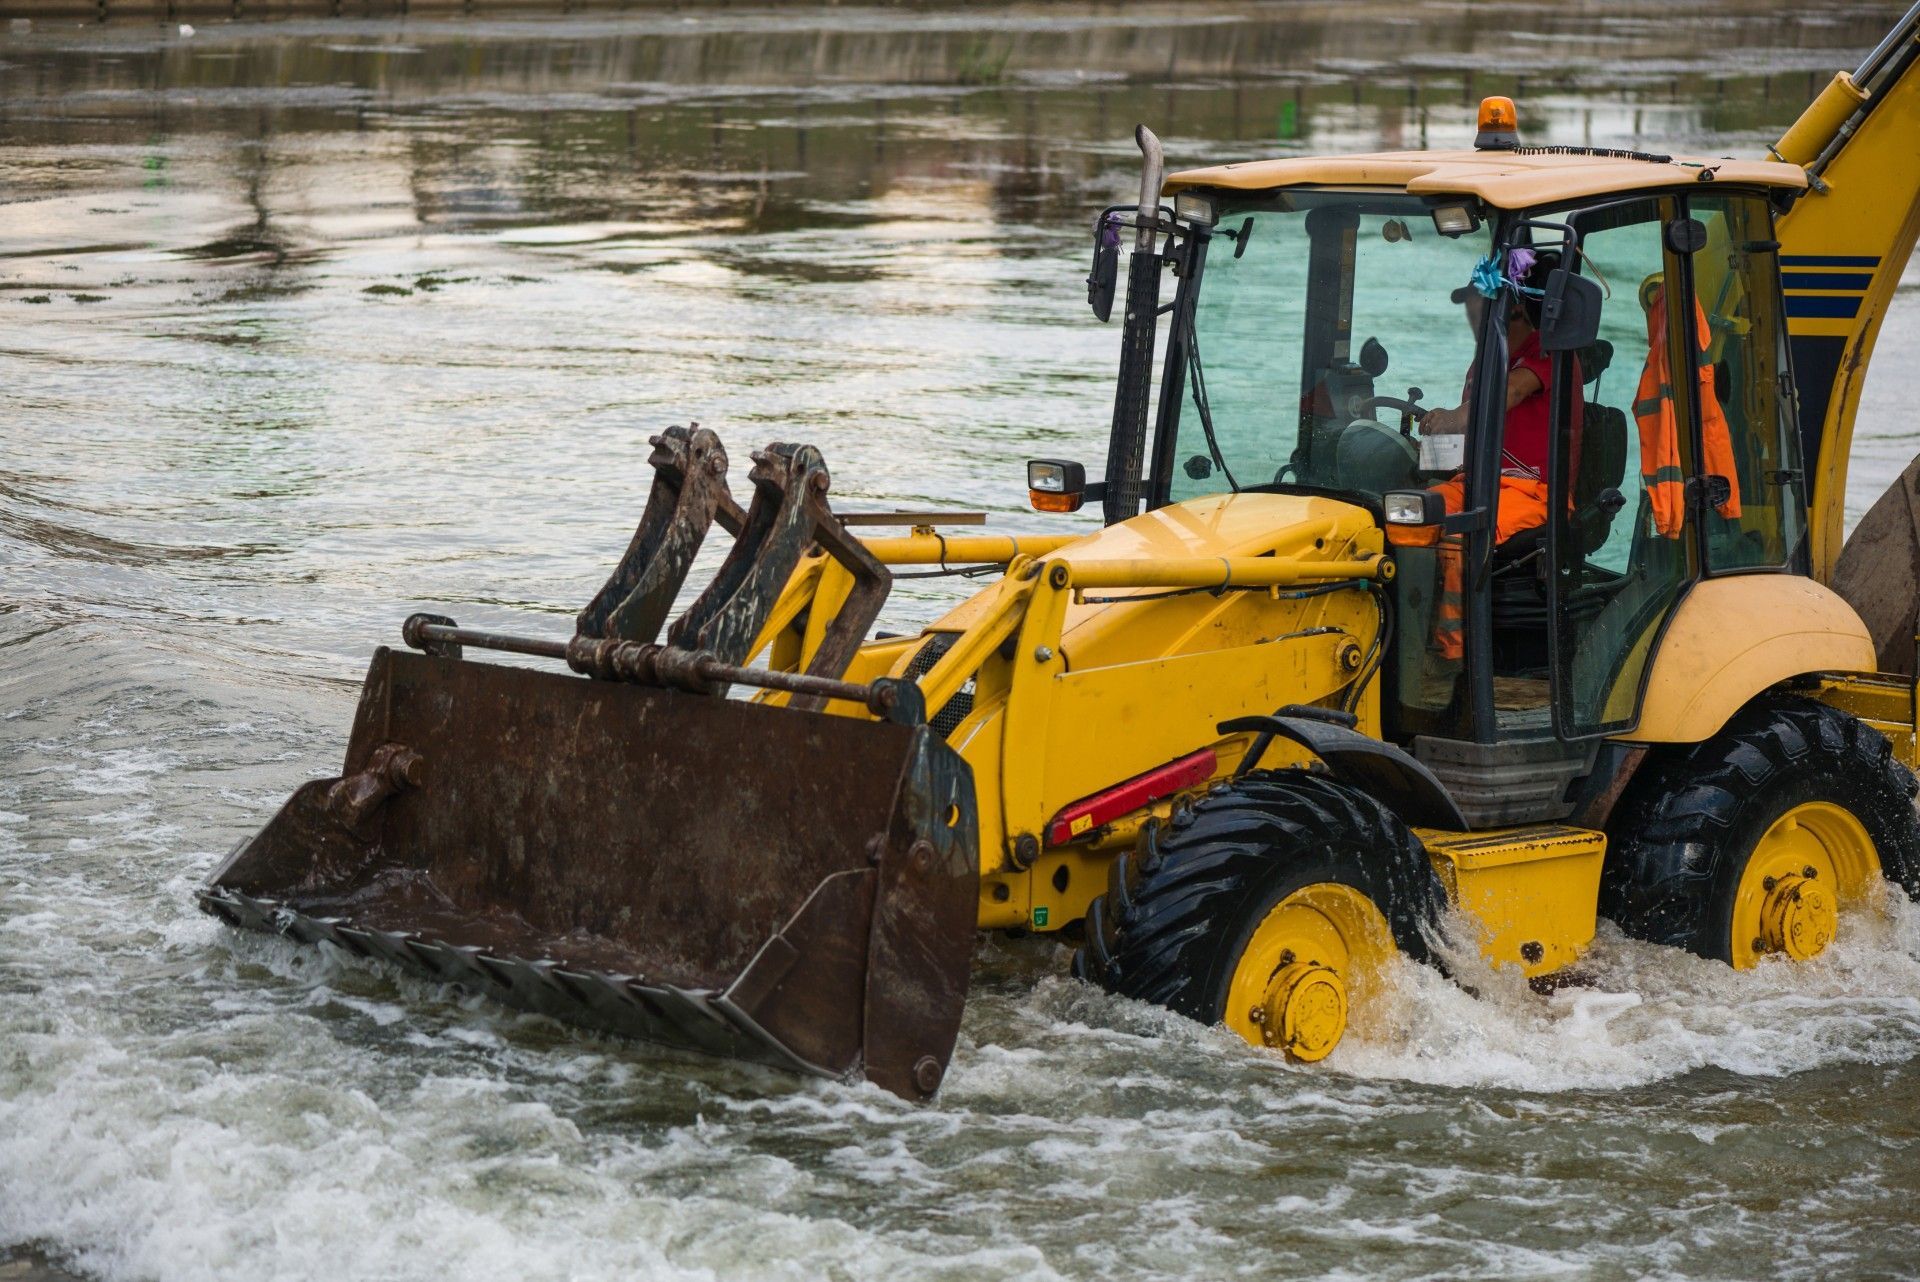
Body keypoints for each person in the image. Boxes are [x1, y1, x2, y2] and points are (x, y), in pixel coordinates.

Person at [1396, 248, 1582, 666]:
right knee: (1403, 516)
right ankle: (1400, 639)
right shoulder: (1483, 362)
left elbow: (1509, 394)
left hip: (1534, 492)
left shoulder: (1548, 354)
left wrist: (1457, 415)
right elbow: (1476, 432)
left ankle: (1450, 662)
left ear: (1512, 309)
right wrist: (1428, 447)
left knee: (1458, 539)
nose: (1471, 315)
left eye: (1478, 303)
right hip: (1476, 482)